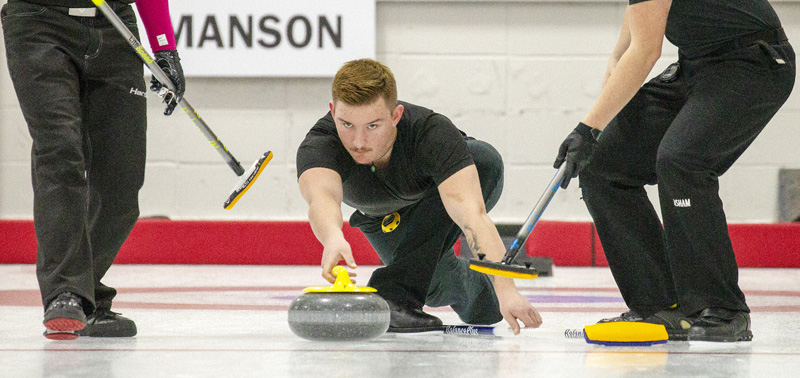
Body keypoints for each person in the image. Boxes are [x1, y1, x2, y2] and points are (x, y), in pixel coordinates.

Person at [553, 0, 795, 342]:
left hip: (753, 63)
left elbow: (647, 51)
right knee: (603, 165)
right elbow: (641, 15)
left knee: (681, 161)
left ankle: (723, 309)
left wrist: (587, 128)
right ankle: (661, 305)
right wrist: (616, 56)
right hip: (696, 65)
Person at [297, 59, 542, 333]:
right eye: (347, 125)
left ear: (396, 115)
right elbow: (322, 198)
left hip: (438, 204)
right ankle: (475, 296)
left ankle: (394, 293)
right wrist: (332, 237)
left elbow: (471, 214)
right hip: (385, 221)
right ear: (333, 112)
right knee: (436, 286)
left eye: (373, 126)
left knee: (482, 160)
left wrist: (507, 288)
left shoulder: (430, 132)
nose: (358, 141)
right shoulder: (321, 144)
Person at [2, 0, 185, 339]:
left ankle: (84, 297)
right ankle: (65, 293)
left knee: (122, 178)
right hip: (39, 20)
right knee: (60, 151)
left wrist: (164, 46)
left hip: (113, 23)